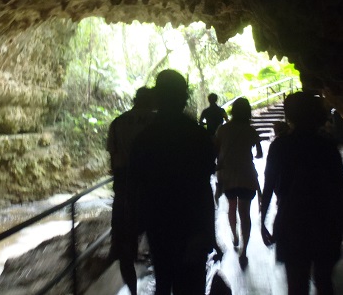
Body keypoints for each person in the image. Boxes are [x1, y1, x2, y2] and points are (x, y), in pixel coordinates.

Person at [129, 70, 216, 295]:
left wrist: (137, 226)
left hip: (159, 223)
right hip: (193, 222)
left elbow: (137, 184)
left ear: (157, 98)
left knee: (164, 280)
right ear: (184, 97)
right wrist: (208, 230)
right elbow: (204, 183)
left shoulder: (145, 139)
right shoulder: (199, 136)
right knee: (191, 284)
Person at [261, 92, 343, 295]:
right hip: (326, 223)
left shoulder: (280, 146)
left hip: (292, 222)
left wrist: (263, 221)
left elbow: (268, 187)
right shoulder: (328, 147)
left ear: (289, 115)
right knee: (324, 283)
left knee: (296, 286)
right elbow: (340, 193)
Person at [106, 87, 155, 295]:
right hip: (152, 187)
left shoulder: (118, 122)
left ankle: (133, 291)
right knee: (159, 240)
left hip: (124, 187)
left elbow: (113, 156)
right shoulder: (158, 122)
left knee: (124, 246)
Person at [214, 97, 263, 268]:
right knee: (245, 212)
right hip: (246, 175)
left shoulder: (223, 129)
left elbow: (215, 149)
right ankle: (244, 250)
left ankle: (234, 235)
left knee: (232, 207)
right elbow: (259, 154)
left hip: (228, 174)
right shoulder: (251, 131)